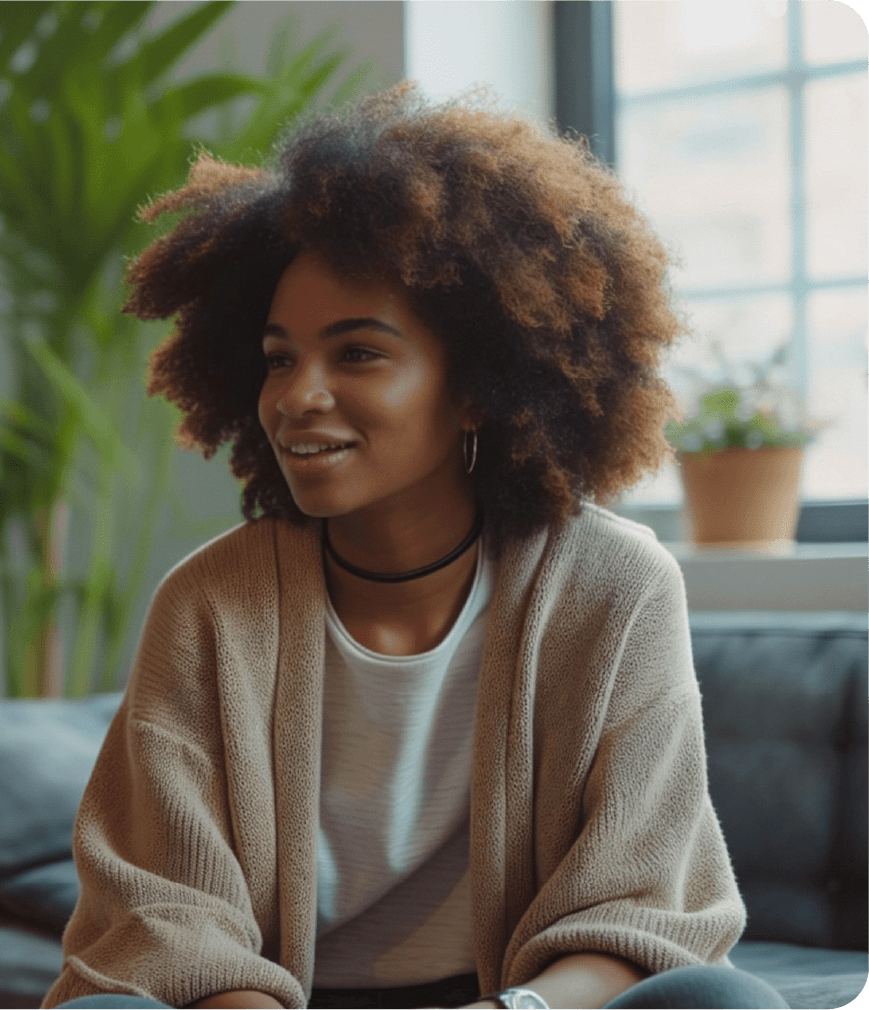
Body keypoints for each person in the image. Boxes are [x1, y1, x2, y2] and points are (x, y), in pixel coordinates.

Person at [42, 86, 786, 1010]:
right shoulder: (209, 604)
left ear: (477, 384)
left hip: (516, 1007)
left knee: (728, 1005)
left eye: (356, 354)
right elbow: (164, 915)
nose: (297, 397)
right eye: (279, 358)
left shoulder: (614, 587)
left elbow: (644, 905)